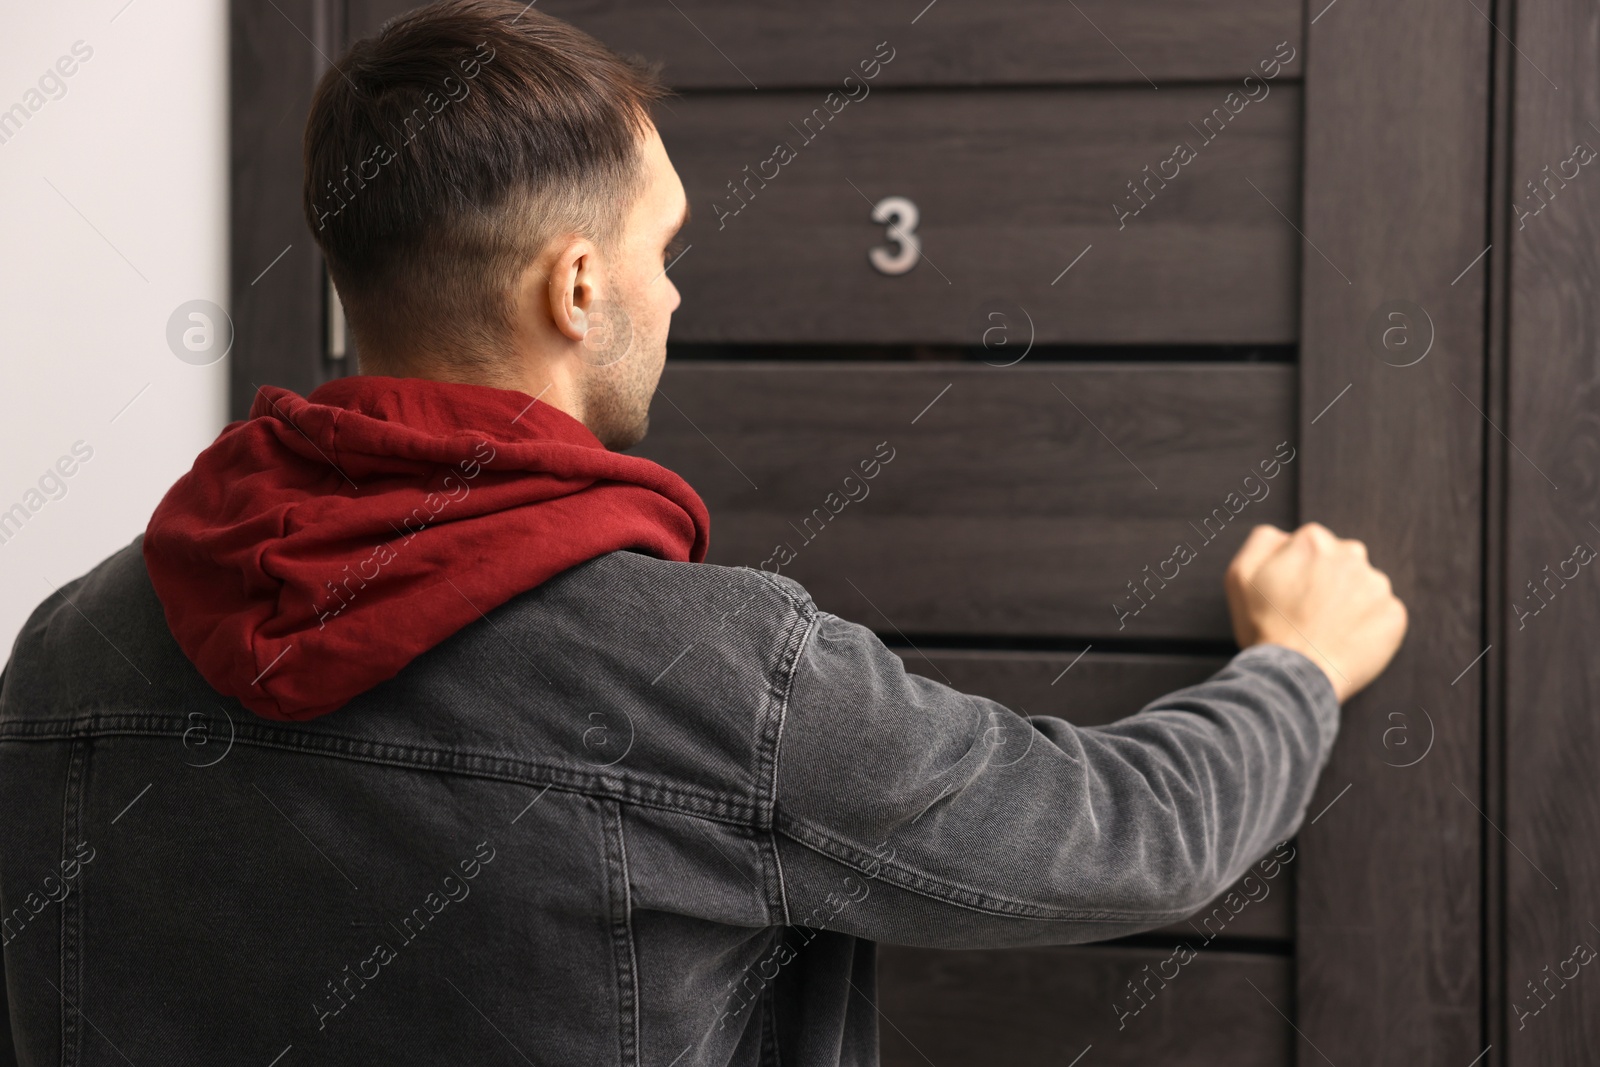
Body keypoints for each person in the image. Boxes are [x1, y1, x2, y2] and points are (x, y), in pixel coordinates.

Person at [0, 2, 1408, 1063]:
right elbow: (1120, 835)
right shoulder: (728, 677)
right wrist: (1294, 669)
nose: (674, 297)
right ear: (575, 288)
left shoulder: (71, 647)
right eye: (664, 253)